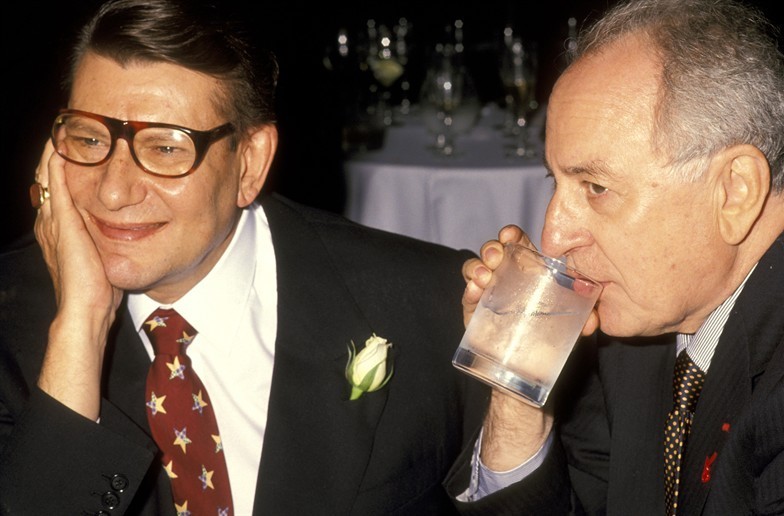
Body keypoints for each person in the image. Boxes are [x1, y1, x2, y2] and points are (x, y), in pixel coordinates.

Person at [0, 1, 491, 514]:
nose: (114, 191)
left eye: (165, 148)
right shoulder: (11, 327)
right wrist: (81, 325)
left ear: (250, 163)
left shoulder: (427, 304)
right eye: (88, 138)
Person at [445, 0, 784, 514]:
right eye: (556, 182)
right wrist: (519, 385)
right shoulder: (636, 341)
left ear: (735, 191)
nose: (552, 238)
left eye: (596, 187)